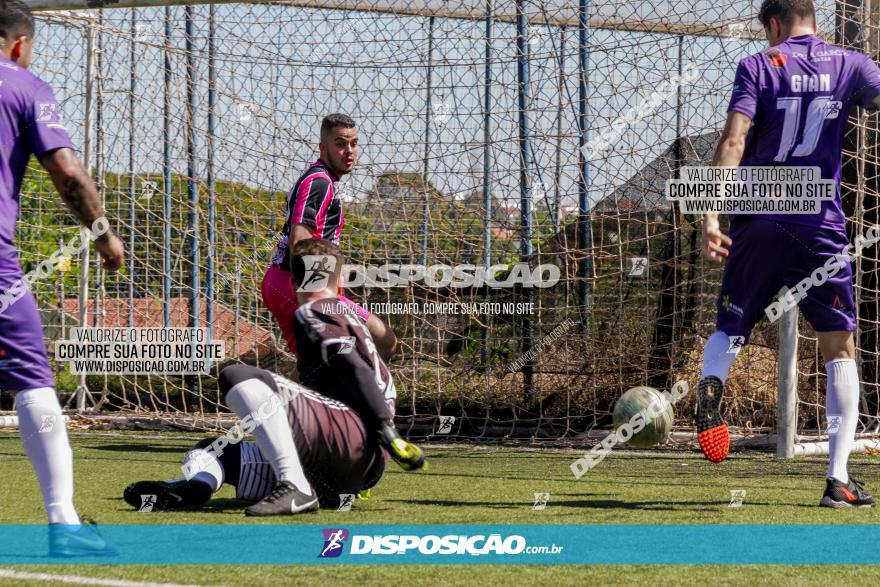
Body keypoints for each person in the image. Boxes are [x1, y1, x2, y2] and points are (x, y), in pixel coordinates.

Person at [698, 0, 880, 507]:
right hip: (818, 221)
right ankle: (838, 480)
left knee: (731, 325)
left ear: (774, 25)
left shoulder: (757, 65)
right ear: (814, 19)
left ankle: (711, 382)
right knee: (839, 348)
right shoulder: (851, 63)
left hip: (757, 212)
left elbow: (734, 142)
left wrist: (711, 216)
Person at [124, 239, 425, 515]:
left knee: (237, 374)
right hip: (356, 467)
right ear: (341, 281)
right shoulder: (350, 315)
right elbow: (380, 348)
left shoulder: (314, 310)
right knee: (211, 450)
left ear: (294, 282)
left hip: (348, 442)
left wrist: (387, 429)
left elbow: (351, 366)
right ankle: (198, 486)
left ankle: (296, 487)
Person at [0, 0, 125, 553]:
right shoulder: (25, 86)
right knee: (33, 378)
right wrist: (103, 234)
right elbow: (68, 174)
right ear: (20, 45)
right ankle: (64, 526)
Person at [261, 113, 397, 360]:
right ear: (323, 147)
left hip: (288, 283)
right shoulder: (320, 183)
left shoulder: (322, 179)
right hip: (297, 286)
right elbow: (300, 241)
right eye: (340, 143)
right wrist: (317, 299)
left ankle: (298, 397)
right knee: (381, 340)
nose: (349, 151)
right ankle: (366, 398)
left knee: (320, 362)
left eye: (354, 143)